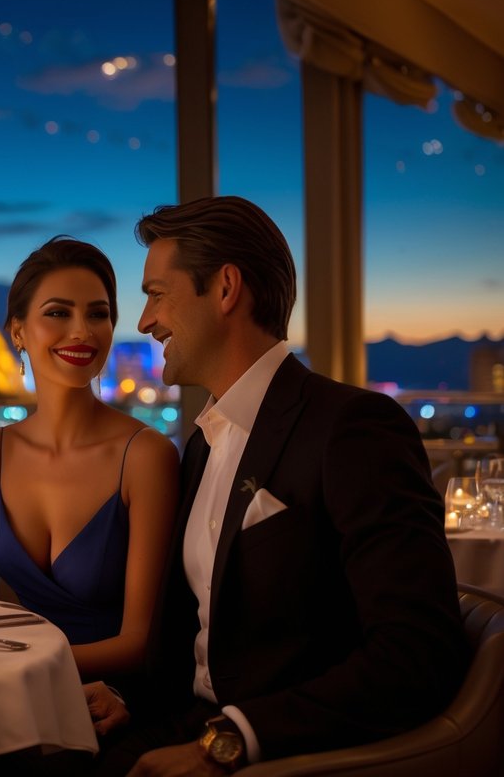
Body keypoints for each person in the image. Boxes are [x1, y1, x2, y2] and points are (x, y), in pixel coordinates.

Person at [87, 196, 468, 774]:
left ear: (225, 289)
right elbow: (201, 636)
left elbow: (417, 655)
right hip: (191, 723)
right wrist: (126, 699)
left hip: (285, 753)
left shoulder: (353, 428)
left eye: (157, 294)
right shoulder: (201, 444)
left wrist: (227, 745)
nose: (143, 322)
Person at [0, 235, 179, 683]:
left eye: (98, 314)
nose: (82, 331)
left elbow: (141, 642)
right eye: (59, 312)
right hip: (12, 687)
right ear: (18, 330)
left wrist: (18, 668)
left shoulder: (146, 455)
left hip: (116, 700)